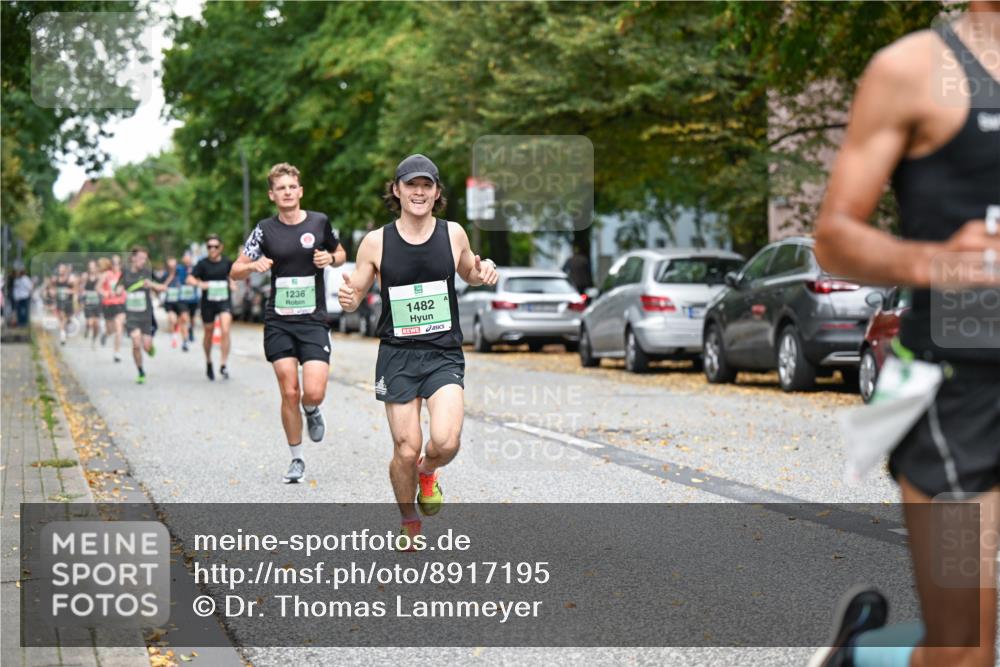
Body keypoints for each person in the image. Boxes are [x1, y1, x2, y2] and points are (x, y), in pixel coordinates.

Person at [810, 5, 1000, 667]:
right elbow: (834, 233)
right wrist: (934, 261)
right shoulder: (914, 69)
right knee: (965, 649)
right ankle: (865, 654)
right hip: (959, 400)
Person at [339, 154, 498, 542]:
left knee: (445, 441)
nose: (419, 192)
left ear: (437, 192)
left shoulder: (453, 233)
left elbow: (470, 272)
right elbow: (356, 290)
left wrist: (485, 270)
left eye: (427, 185)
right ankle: (409, 520)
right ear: (397, 190)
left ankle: (428, 472)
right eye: (411, 185)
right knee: (405, 449)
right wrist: (348, 298)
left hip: (443, 353)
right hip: (397, 354)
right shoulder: (376, 241)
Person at [231, 163, 346, 483]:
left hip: (313, 320)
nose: (286, 192)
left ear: (300, 191)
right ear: (272, 195)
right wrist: (253, 266)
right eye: (280, 188)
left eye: (291, 187)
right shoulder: (265, 230)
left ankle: (313, 410)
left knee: (313, 391)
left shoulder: (319, 222)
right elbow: (235, 269)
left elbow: (341, 253)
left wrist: (330, 259)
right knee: (288, 389)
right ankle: (296, 458)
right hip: (279, 321)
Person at [188, 235, 236, 380]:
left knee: (225, 330)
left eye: (215, 246)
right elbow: (190, 278)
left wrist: (233, 283)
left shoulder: (227, 262)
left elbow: (233, 275)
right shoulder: (202, 264)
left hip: (224, 300)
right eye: (209, 246)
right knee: (208, 333)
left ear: (220, 247)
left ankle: (223, 364)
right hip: (208, 303)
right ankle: (209, 360)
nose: (212, 249)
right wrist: (200, 284)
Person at [119, 247, 165, 384]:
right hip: (131, 315)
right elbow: (117, 288)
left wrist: (151, 285)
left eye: (145, 259)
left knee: (146, 346)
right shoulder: (125, 273)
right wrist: (119, 290)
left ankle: (149, 347)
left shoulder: (147, 272)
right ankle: (140, 371)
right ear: (133, 258)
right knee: (135, 343)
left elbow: (163, 287)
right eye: (140, 258)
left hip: (146, 316)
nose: (143, 261)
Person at [100, 255, 127, 362]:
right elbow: (98, 288)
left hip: (120, 304)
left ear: (120, 264)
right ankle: (105, 334)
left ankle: (117, 353)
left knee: (119, 328)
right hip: (108, 304)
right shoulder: (106, 275)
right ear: (111, 265)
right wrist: (105, 293)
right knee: (111, 330)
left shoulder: (123, 276)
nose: (116, 265)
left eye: (118, 263)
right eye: (114, 263)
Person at [161, 257, 184, 349]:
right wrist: (170, 278)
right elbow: (161, 286)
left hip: (179, 300)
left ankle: (175, 333)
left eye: (173, 262)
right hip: (169, 300)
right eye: (170, 262)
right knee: (172, 319)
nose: (172, 264)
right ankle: (173, 337)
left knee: (179, 319)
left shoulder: (181, 273)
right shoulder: (165, 274)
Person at [80, 260, 103, 348]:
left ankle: (94, 340)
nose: (92, 269)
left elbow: (101, 288)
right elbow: (81, 288)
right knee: (90, 323)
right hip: (88, 302)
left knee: (96, 325)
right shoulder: (85, 276)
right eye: (90, 267)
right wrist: (82, 299)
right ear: (88, 268)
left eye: (93, 267)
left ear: (96, 267)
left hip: (97, 303)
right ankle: (87, 328)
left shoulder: (99, 277)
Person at [53, 263, 77, 345]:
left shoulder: (70, 280)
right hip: (60, 302)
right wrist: (53, 292)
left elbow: (75, 290)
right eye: (59, 269)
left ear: (65, 270)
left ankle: (64, 331)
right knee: (62, 317)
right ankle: (62, 335)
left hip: (68, 302)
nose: (61, 270)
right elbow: (52, 290)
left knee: (66, 319)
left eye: (62, 269)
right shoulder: (55, 280)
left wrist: (68, 291)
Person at [179, 251, 199, 346]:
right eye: (185, 257)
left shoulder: (195, 268)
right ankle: (185, 340)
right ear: (183, 259)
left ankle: (191, 330)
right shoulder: (179, 269)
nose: (187, 259)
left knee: (192, 318)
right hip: (182, 298)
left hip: (193, 298)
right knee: (184, 318)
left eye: (188, 257)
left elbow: (199, 279)